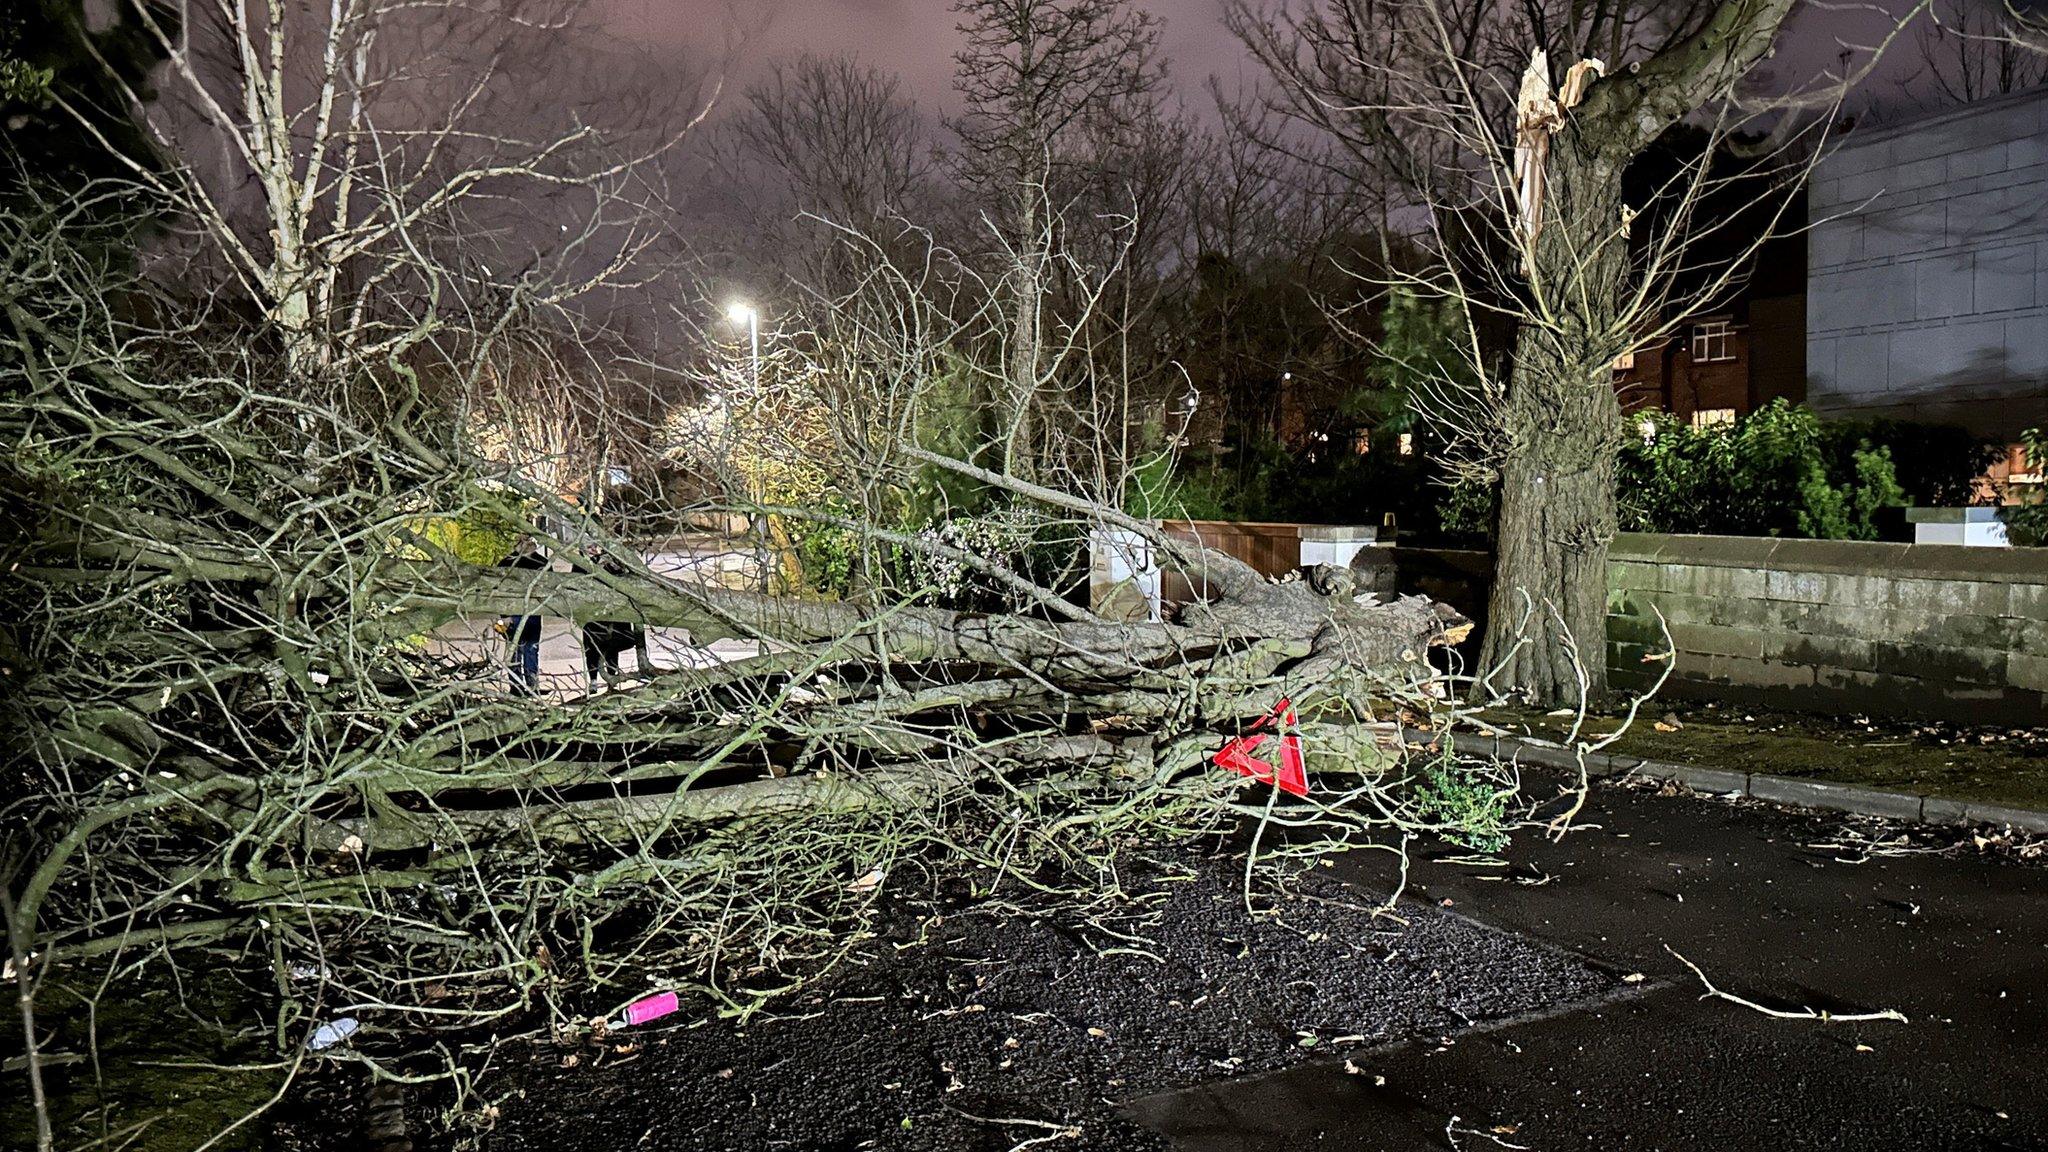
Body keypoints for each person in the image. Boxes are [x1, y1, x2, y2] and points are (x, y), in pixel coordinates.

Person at [579, 546, 650, 691]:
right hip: (593, 612)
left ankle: (612, 678)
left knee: (613, 646)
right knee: (592, 647)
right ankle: (593, 680)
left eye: (595, 546)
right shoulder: (580, 563)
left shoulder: (613, 561)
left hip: (615, 611)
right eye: (589, 546)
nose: (592, 549)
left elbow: (625, 579)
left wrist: (610, 565)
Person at [498, 536, 548, 695]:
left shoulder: (542, 562)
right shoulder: (507, 563)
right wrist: (504, 615)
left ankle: (532, 685)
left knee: (532, 648)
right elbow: (500, 590)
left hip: (534, 612)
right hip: (513, 612)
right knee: (515, 650)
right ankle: (516, 686)